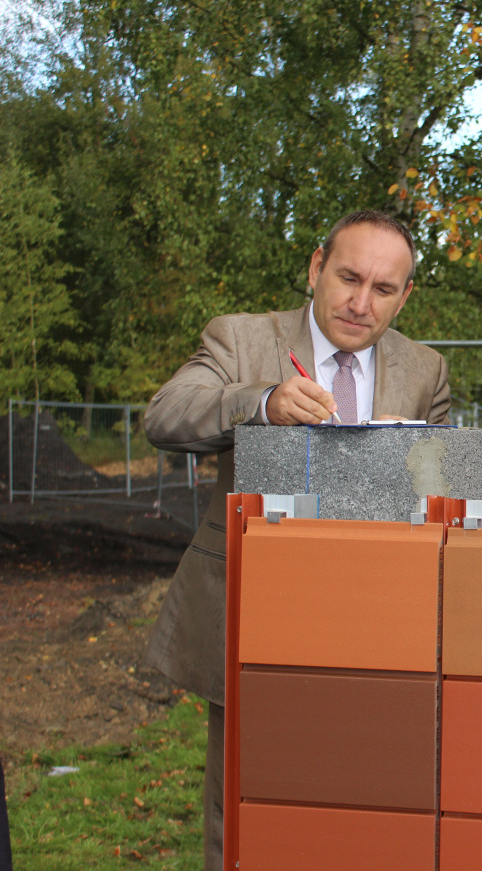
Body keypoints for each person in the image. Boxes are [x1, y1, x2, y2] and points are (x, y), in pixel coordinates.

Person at [142, 210, 451, 871]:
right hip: (259, 613)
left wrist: (415, 460)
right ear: (315, 268)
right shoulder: (242, 338)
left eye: (384, 289)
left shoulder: (426, 369)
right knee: (247, 804)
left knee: (361, 800)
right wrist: (262, 403)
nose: (361, 303)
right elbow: (165, 413)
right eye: (348, 278)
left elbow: (438, 492)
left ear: (406, 296)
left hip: (378, 622)